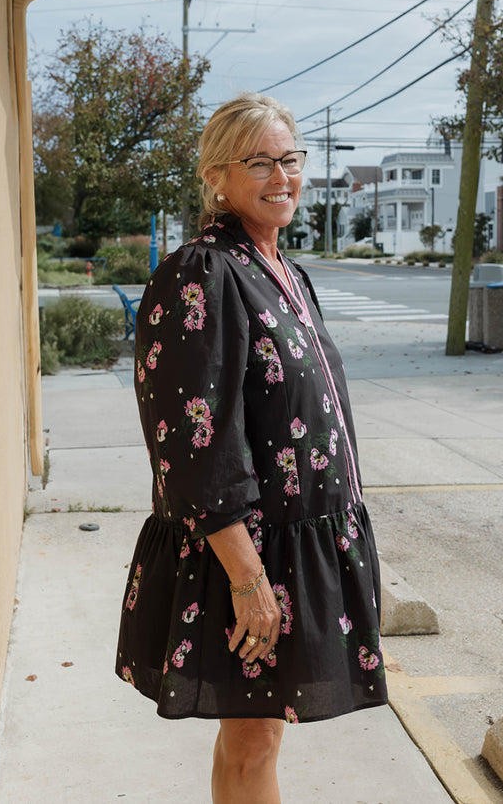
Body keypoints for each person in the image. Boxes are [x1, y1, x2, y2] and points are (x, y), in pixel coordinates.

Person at [116, 93, 387, 802]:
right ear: (218, 177)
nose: (282, 176)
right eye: (260, 161)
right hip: (247, 554)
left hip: (297, 547)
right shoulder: (203, 273)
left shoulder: (287, 273)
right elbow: (191, 441)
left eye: (290, 159)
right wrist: (246, 577)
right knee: (254, 739)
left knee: (256, 735)